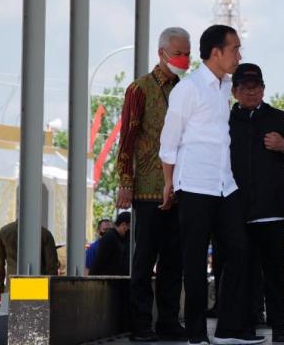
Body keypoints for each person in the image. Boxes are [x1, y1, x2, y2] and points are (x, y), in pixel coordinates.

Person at [159, 25, 265, 345]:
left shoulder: (224, 87)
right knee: (193, 261)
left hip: (224, 184)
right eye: (234, 49)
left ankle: (229, 330)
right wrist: (168, 183)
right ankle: (195, 334)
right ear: (216, 52)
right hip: (194, 184)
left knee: (239, 250)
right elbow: (169, 141)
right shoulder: (188, 89)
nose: (239, 55)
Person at [115, 27, 189, 342]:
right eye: (178, 53)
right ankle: (141, 324)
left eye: (187, 53)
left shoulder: (185, 90)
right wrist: (125, 182)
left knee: (174, 260)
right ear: (161, 53)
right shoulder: (140, 89)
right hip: (147, 188)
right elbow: (127, 139)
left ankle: (169, 322)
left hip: (181, 187)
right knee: (145, 258)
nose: (183, 59)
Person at [229, 63, 284, 342]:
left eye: (257, 87)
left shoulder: (280, 119)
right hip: (236, 210)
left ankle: (279, 325)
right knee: (243, 270)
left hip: (273, 211)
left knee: (276, 270)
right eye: (245, 88)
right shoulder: (225, 122)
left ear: (263, 89)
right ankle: (247, 324)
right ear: (235, 91)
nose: (251, 92)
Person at [0, 220, 59, 308]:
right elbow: (52, 267)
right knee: (36, 319)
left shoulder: (4, 232)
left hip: (12, 288)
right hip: (38, 288)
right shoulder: (45, 234)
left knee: (12, 319)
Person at [90, 212, 131, 276]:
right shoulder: (110, 238)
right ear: (124, 225)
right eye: (130, 227)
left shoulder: (122, 238)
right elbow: (99, 262)